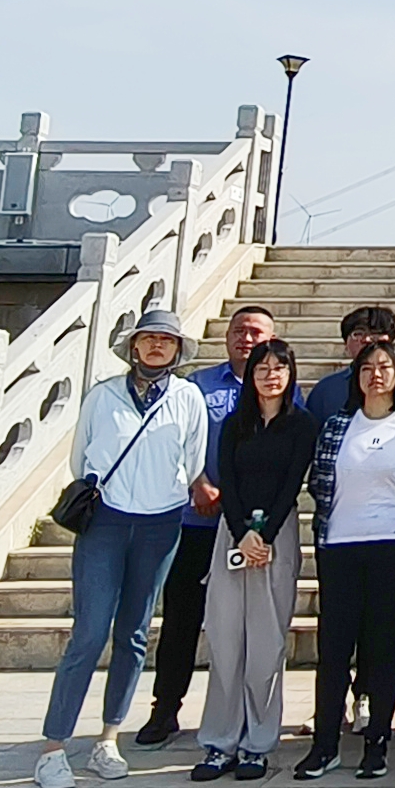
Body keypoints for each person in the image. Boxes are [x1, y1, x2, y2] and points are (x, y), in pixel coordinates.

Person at [35, 308, 208, 788]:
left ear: (178, 350)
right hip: (106, 521)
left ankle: (108, 739)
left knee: (133, 633)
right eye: (148, 338)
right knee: (89, 633)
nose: (157, 346)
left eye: (166, 340)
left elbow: (192, 460)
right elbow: (81, 456)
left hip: (160, 523)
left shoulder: (187, 397)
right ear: (133, 346)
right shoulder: (103, 395)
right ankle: (53, 747)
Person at [297, 339, 395, 782]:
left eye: (384, 367)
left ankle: (377, 741)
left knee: (380, 646)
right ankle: (325, 745)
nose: (375, 375)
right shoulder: (338, 425)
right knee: (334, 648)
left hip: (392, 544)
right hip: (339, 543)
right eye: (366, 368)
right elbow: (320, 483)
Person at [140, 304, 276, 748]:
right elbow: (175, 440)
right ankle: (165, 707)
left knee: (247, 625)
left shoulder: (282, 387)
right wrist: (198, 482)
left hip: (253, 528)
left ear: (272, 340)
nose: (246, 339)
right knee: (182, 617)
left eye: (256, 332)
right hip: (199, 520)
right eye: (239, 331)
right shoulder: (197, 386)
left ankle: (243, 713)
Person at [189, 336, 317, 782]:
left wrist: (263, 535)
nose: (270, 376)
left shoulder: (301, 425)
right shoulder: (234, 423)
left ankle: (257, 744)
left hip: (276, 536)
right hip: (233, 533)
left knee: (265, 644)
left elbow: (292, 485)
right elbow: (227, 480)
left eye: (279, 368)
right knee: (225, 640)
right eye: (263, 368)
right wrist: (242, 532)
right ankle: (219, 742)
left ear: (290, 374)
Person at [304, 305, 395, 419]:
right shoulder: (326, 390)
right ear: (346, 344)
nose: (367, 340)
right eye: (358, 334)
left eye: (376, 334)